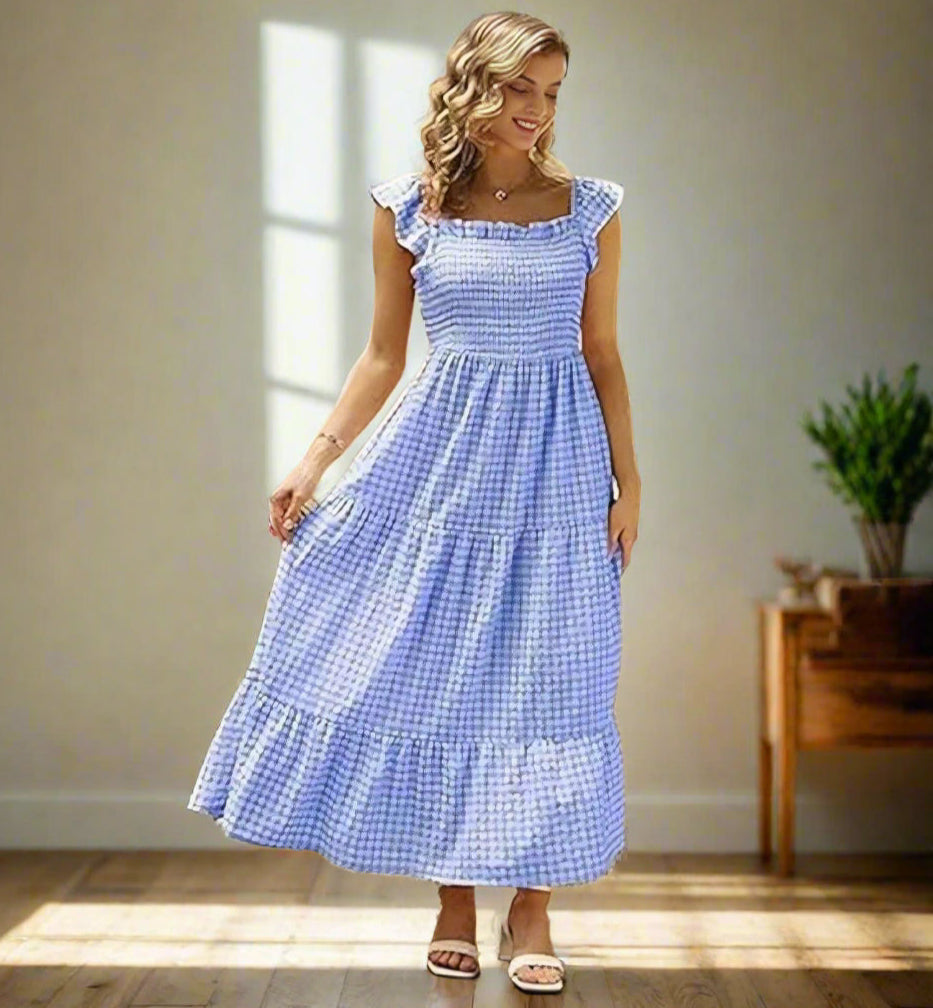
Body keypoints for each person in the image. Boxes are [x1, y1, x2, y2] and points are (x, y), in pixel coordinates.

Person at [187, 10, 640, 995]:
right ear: (478, 88)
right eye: (522, 89)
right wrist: (313, 463)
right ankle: (452, 901)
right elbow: (385, 356)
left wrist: (629, 481)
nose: (538, 111)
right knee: (451, 677)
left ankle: (534, 905)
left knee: (551, 682)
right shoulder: (413, 207)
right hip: (444, 471)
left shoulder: (591, 207)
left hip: (560, 476)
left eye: (553, 92)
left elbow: (601, 355)